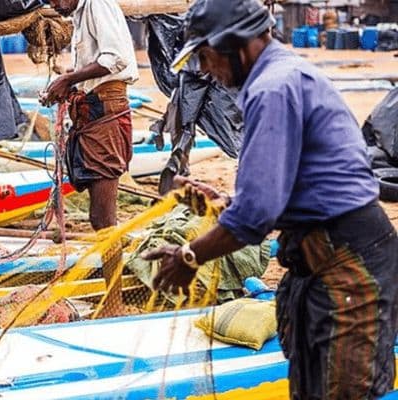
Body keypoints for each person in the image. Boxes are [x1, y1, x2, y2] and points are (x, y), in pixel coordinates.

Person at [143, 0, 398, 398]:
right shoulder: (280, 76)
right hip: (323, 259)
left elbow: (255, 217)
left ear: (235, 45)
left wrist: (189, 256)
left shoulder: (272, 88)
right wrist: (227, 202)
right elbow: (279, 194)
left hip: (348, 264)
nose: (208, 71)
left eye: (207, 58)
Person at [42, 0, 139, 316]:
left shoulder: (97, 3)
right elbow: (97, 65)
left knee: (103, 218)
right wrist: (69, 82)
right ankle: (112, 298)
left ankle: (114, 303)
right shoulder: (82, 13)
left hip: (106, 114)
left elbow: (114, 60)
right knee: (100, 217)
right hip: (93, 111)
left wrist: (68, 80)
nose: (55, 6)